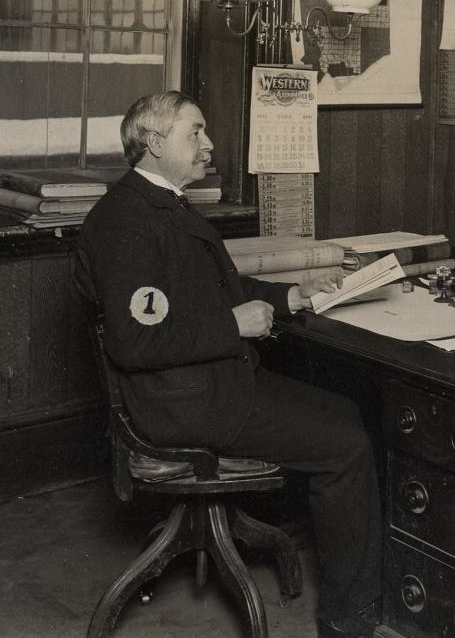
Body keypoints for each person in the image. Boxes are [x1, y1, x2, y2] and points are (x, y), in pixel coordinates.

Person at [75, 91, 381, 638]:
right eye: (195, 132)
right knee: (347, 443)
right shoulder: (128, 224)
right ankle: (349, 621)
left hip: (200, 384)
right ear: (152, 142)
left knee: (342, 410)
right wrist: (233, 326)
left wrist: (290, 295)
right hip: (185, 403)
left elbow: (207, 291)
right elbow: (134, 343)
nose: (208, 143)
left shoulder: (155, 203)